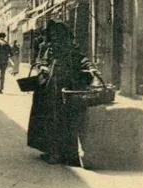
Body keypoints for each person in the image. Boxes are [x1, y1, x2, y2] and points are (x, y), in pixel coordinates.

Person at [27, 20, 97, 165]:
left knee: (65, 122)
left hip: (65, 91)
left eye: (58, 35)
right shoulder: (49, 49)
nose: (55, 38)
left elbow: (83, 60)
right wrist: (43, 67)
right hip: (48, 91)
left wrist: (91, 68)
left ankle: (66, 154)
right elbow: (41, 62)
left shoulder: (70, 51)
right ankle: (52, 152)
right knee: (49, 121)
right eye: (53, 35)